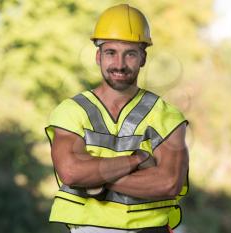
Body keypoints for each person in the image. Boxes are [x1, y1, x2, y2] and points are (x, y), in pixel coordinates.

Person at [45, 4, 189, 233]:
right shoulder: (72, 111)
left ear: (143, 58)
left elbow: (168, 182)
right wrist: (135, 161)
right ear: (98, 56)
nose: (120, 64)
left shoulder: (166, 116)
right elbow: (71, 172)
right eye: (111, 53)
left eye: (130, 53)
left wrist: (95, 180)